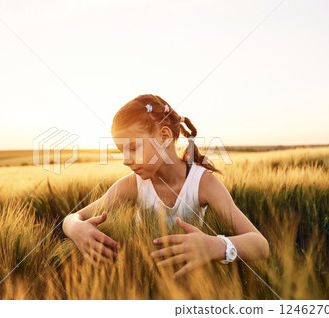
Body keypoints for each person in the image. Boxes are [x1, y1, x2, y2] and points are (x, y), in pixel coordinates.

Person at [62, 94, 269, 278]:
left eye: (132, 147)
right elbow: (72, 218)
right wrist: (76, 228)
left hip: (191, 282)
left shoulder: (203, 184)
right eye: (121, 151)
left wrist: (214, 246)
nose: (125, 160)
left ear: (165, 136)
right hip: (144, 277)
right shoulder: (132, 185)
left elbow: (261, 246)